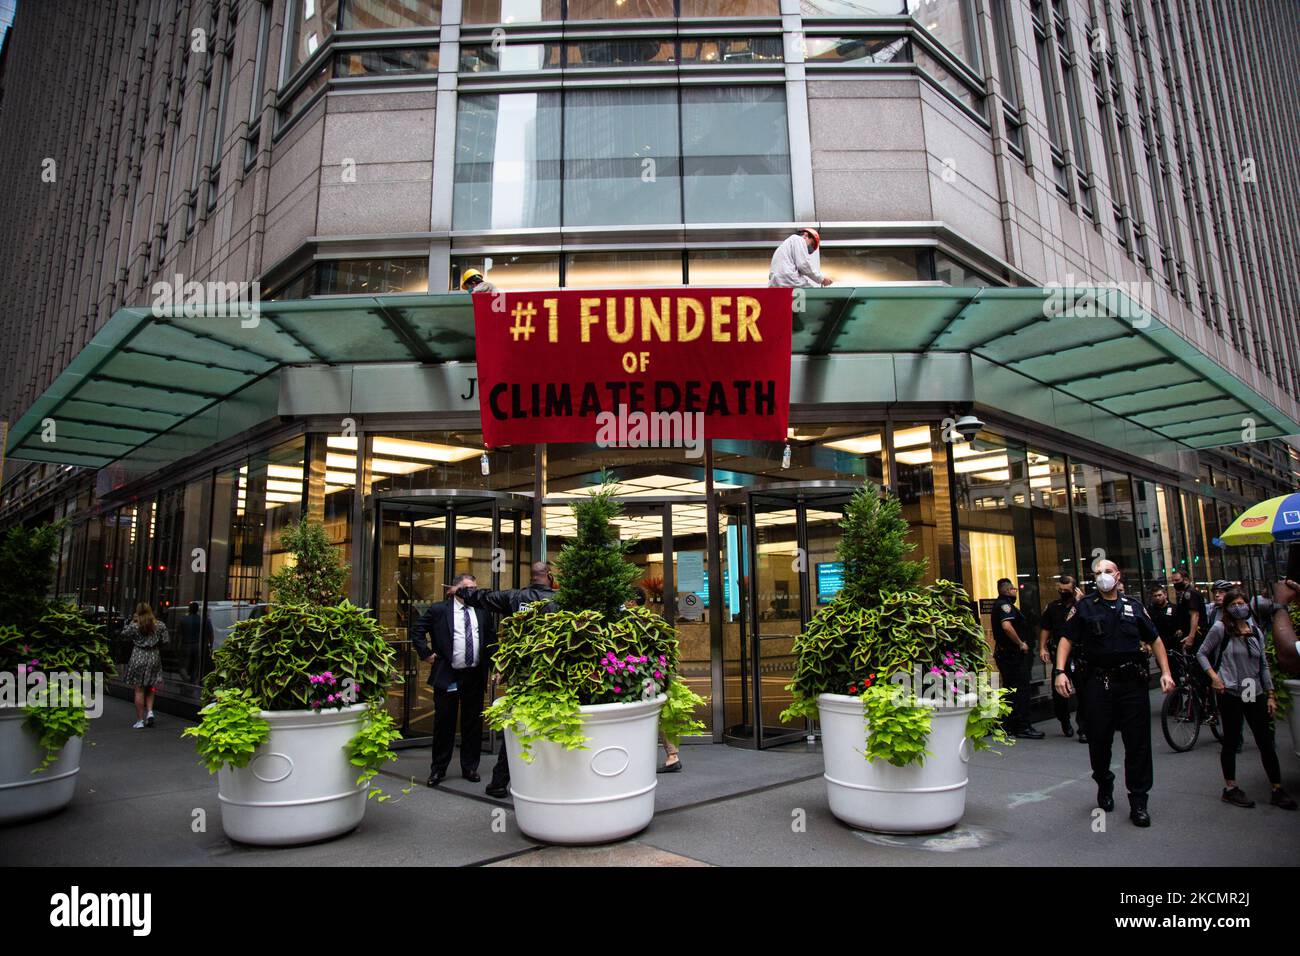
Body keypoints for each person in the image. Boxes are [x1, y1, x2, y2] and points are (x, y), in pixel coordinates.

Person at [1055, 560, 1175, 827]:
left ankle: (1139, 800)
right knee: (1099, 739)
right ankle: (1104, 782)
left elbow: (1155, 639)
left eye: (1107, 572)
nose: (1102, 577)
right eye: (1098, 573)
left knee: (1138, 743)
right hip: (1098, 684)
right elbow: (1066, 640)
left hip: (1132, 683)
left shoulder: (1133, 606)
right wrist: (1059, 672)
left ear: (1118, 575)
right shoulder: (1084, 606)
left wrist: (1165, 672)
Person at [450, 562, 558, 798]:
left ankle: (499, 782)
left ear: (532, 577)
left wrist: (460, 591)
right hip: (553, 673)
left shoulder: (516, 597)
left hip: (522, 673)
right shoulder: (560, 601)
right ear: (549, 577)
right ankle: (548, 783)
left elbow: (485, 597)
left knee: (518, 724)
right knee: (555, 723)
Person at [1197, 589, 1297, 811]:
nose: (1239, 607)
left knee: (1265, 741)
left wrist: (1270, 693)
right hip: (1230, 690)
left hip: (1253, 690)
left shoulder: (1254, 631)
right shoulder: (1220, 628)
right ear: (1228, 608)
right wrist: (1214, 677)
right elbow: (1202, 653)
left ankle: (1277, 788)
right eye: (1235, 603)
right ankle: (1231, 788)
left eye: (1242, 602)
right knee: (1232, 741)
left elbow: (1262, 664)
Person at [411, 573, 497, 788]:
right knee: (444, 723)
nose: (473, 592)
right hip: (448, 674)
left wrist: (496, 667)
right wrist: (426, 654)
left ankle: (470, 767)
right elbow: (417, 630)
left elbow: (491, 641)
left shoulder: (483, 611)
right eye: (468, 588)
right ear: (456, 589)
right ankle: (438, 769)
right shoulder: (440, 610)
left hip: (475, 676)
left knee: (473, 723)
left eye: (475, 588)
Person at [992, 578, 1044, 739]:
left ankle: (1010, 724)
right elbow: (1007, 626)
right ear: (1007, 591)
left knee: (1011, 690)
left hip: (1007, 654)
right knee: (1020, 689)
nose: (1015, 591)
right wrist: (1020, 643)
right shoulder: (1005, 606)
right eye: (1013, 589)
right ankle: (1022, 725)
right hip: (1011, 655)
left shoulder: (1004, 605)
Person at [1039, 575, 1086, 740]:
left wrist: (1080, 602)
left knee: (1084, 692)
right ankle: (1064, 721)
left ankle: (1083, 728)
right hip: (1060, 656)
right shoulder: (1053, 607)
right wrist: (1042, 647)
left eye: (1067, 590)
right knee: (1059, 693)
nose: (1063, 592)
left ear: (1074, 589)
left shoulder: (1084, 605)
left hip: (1080, 654)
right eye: (1061, 590)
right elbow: (1046, 628)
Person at [121, 602, 167, 729]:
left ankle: (140, 720)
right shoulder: (159, 625)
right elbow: (165, 640)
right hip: (154, 657)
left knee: (139, 689)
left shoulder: (135, 626)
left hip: (138, 656)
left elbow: (123, 635)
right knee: (151, 686)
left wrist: (132, 622)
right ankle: (150, 712)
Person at [768, 228, 833, 288]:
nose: (809, 247)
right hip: (788, 279)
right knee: (812, 292)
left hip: (776, 283)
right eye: (812, 244)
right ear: (806, 235)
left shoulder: (786, 245)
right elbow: (803, 265)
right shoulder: (798, 239)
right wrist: (822, 279)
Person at [1169, 569, 1205, 650]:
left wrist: (1191, 637)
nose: (1174, 583)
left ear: (1186, 580)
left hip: (1196, 634)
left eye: (1177, 580)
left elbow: (1195, 615)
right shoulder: (1184, 593)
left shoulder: (1190, 593)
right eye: (1173, 581)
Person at [177, 601, 212, 683]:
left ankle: (187, 679)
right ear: (197, 610)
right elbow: (210, 634)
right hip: (199, 645)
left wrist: (177, 644)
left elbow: (178, 634)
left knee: (183, 665)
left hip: (186, 645)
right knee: (196, 665)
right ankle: (192, 680)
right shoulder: (204, 620)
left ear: (189, 609)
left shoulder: (183, 619)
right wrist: (210, 645)